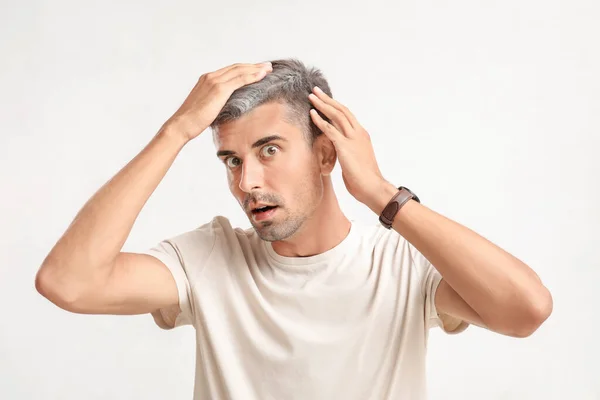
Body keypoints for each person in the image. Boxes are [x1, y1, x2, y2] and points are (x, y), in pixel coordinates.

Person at [35, 58, 553, 400]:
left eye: (269, 150)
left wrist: (378, 193)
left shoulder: (403, 264)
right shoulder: (208, 258)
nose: (246, 181)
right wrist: (176, 132)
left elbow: (526, 310)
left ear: (326, 152)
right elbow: (69, 283)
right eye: (230, 160)